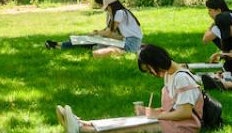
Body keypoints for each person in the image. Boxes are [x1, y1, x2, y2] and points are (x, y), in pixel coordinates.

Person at [55, 44, 203, 132]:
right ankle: (83, 123)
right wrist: (149, 111)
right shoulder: (170, 75)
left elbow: (185, 113)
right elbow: (175, 107)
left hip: (183, 128)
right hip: (173, 121)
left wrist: (156, 115)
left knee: (131, 127)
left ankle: (82, 129)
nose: (150, 74)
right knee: (127, 121)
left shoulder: (181, 78)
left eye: (148, 70)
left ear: (154, 64)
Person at [46, 0, 143, 57]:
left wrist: (97, 33)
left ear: (110, 6)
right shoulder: (123, 12)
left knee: (92, 41)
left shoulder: (119, 13)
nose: (106, 10)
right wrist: (98, 33)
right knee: (91, 40)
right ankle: (59, 45)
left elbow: (110, 32)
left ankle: (59, 45)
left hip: (129, 45)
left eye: (107, 8)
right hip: (129, 42)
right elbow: (110, 31)